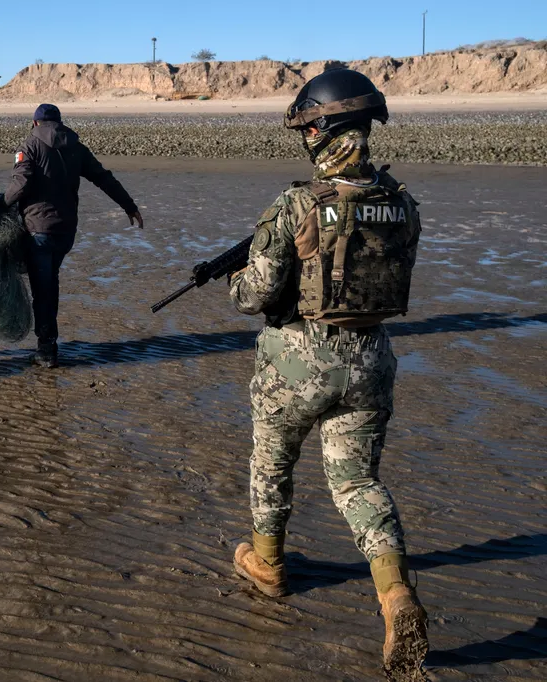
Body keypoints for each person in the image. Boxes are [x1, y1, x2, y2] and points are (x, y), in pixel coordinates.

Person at [226, 69, 427, 678]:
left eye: (310, 125)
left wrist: (240, 281)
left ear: (322, 130)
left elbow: (256, 295)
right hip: (371, 363)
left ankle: (267, 565)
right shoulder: (401, 204)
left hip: (297, 365)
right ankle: (396, 595)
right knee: (357, 484)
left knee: (271, 463)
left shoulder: (295, 204)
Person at [3, 103, 143, 368]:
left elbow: (20, 184)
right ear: (60, 122)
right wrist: (129, 205)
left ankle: (46, 350)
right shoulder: (75, 146)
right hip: (66, 231)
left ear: (35, 123)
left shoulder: (29, 146)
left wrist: (0, 205)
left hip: (38, 230)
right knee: (49, 284)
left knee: (43, 289)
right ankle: (47, 343)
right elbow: (103, 177)